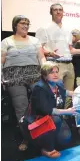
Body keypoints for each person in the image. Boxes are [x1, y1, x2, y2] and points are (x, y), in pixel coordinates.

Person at [1, 15, 46, 151]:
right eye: (22, 23)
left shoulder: (34, 40)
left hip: (34, 74)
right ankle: (26, 138)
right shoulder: (6, 41)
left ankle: (44, 134)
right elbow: (1, 59)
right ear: (15, 25)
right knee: (21, 108)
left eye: (27, 23)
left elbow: (41, 57)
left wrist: (46, 71)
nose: (25, 26)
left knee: (41, 102)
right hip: (14, 76)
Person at [20, 62, 75, 158]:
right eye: (51, 72)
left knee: (65, 139)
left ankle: (47, 141)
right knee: (56, 119)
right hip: (37, 121)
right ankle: (47, 149)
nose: (55, 74)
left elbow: (66, 92)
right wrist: (68, 111)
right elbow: (47, 110)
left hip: (51, 120)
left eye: (56, 72)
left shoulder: (58, 84)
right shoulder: (39, 88)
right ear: (45, 75)